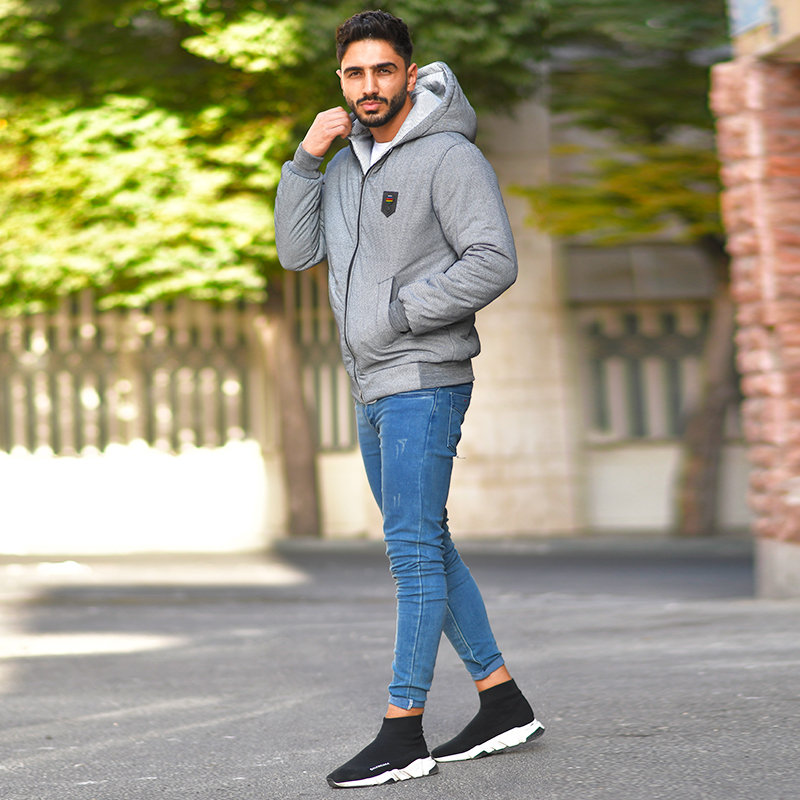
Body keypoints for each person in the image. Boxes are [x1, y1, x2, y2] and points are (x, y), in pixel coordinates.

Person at [274, 9, 544, 789]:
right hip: (369, 384)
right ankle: (502, 702)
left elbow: (493, 260)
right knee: (427, 542)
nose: (369, 85)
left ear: (409, 74)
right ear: (341, 81)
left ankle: (403, 732)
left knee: (412, 552)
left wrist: (399, 313)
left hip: (424, 378)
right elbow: (295, 251)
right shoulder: (343, 165)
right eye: (354, 73)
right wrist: (306, 159)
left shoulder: (450, 156)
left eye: (383, 70)